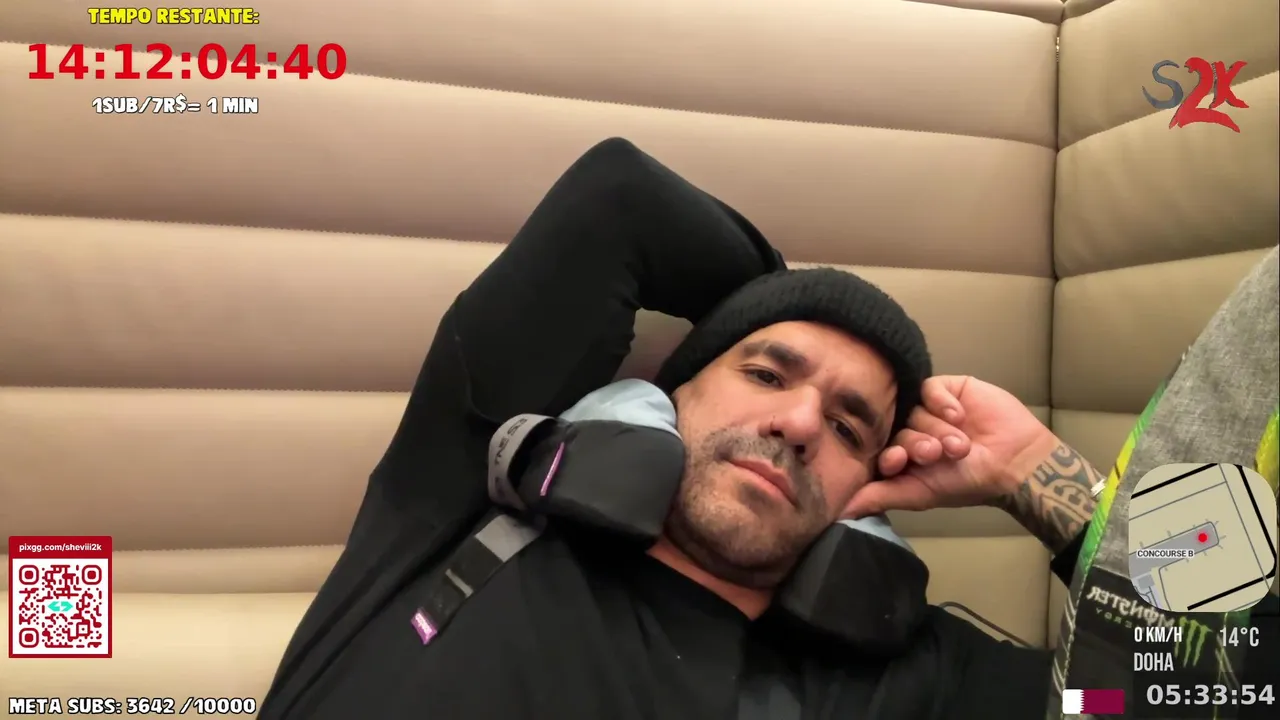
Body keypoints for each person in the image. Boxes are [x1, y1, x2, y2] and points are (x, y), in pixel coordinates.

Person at [255, 139, 1272, 719]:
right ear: (666, 398)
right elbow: (616, 195)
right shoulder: (461, 506)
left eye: (850, 426)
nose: (795, 422)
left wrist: (1039, 479)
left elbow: (1203, 692)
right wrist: (785, 293)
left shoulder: (902, 680)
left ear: (870, 486)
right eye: (764, 373)